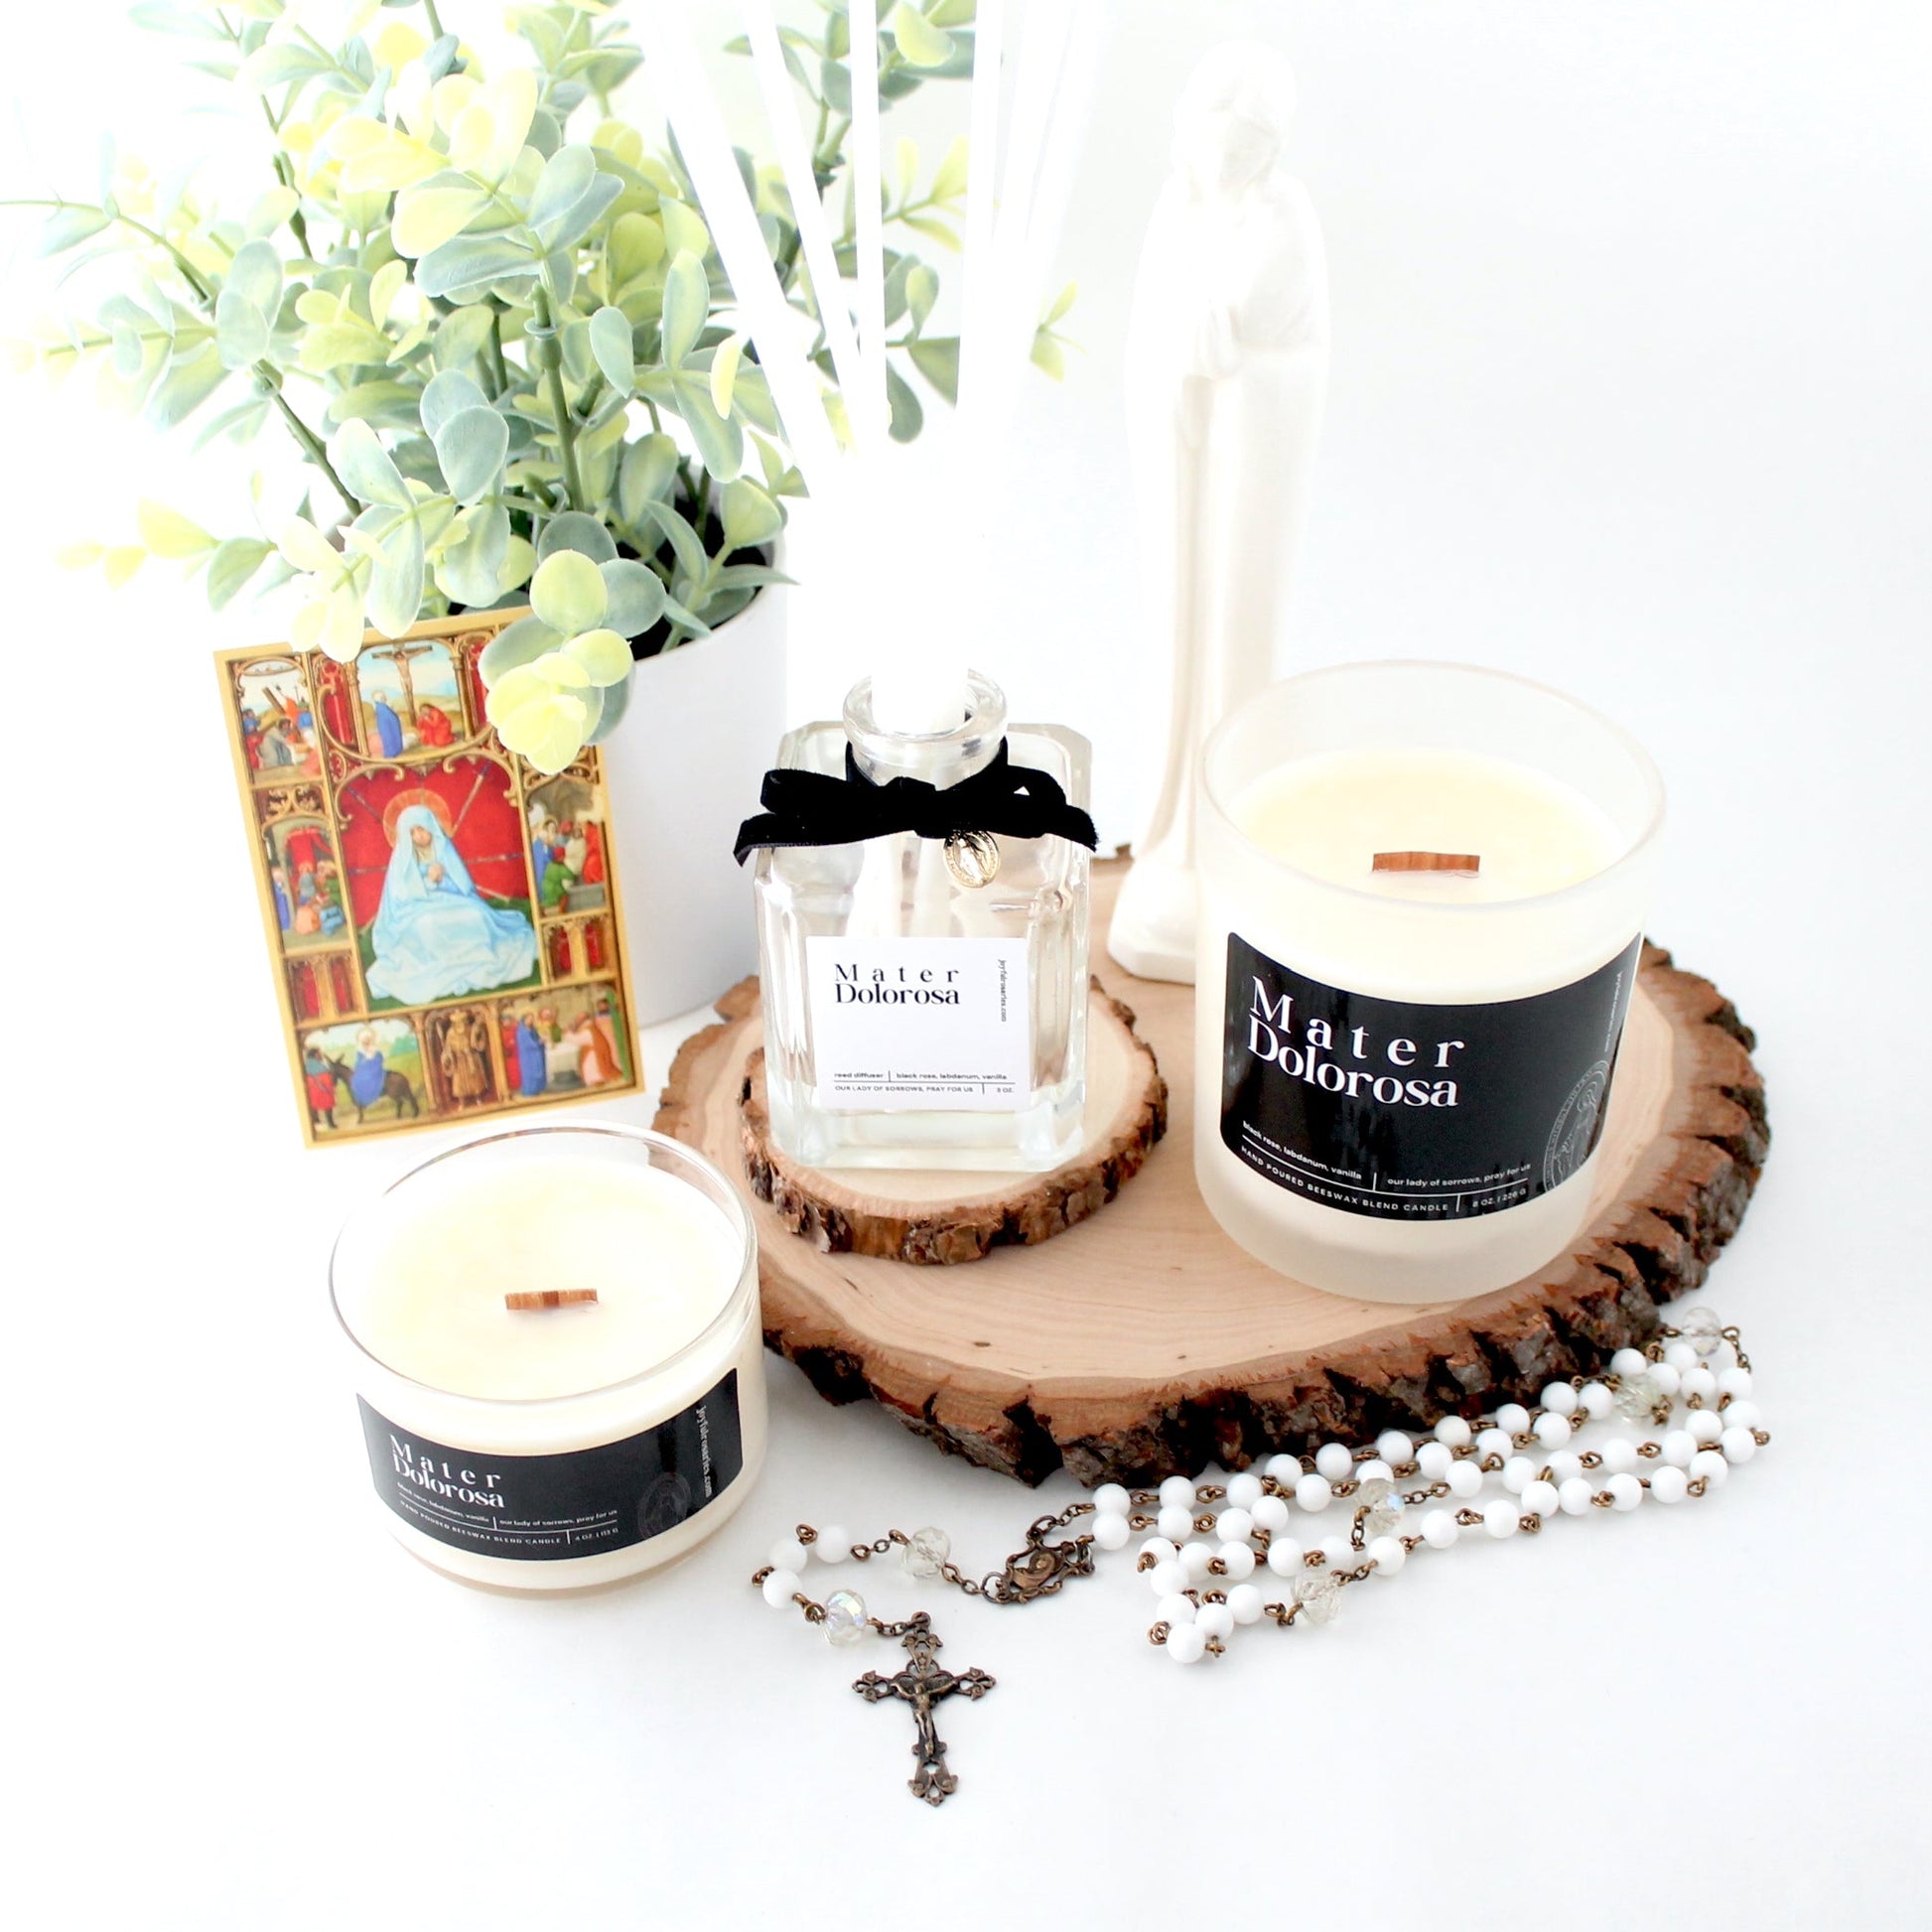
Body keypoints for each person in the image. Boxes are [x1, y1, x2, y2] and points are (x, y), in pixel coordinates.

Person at [365, 805, 536, 1005]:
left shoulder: (443, 848)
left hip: (451, 900)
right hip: (415, 910)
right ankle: (441, 964)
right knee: (427, 924)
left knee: (475, 914)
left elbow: (463, 886)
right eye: (412, 832)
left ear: (431, 826)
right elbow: (402, 896)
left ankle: (477, 958)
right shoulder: (402, 858)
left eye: (421, 829)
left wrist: (442, 880)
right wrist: (430, 881)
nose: (418, 836)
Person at [349, 1029, 387, 1112]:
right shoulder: (360, 1051)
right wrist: (357, 1066)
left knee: (369, 1077)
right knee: (356, 1080)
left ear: (370, 1040)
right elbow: (358, 1062)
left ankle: (371, 1098)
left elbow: (379, 1059)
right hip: (363, 1070)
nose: (365, 1043)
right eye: (364, 1041)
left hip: (374, 1069)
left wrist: (370, 1060)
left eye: (367, 1041)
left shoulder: (375, 1050)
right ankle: (362, 1102)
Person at [303, 1040, 338, 1129]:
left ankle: (317, 1121)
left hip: (315, 1090)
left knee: (316, 1106)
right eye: (319, 1054)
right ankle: (330, 1123)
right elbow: (325, 1078)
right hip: (322, 1089)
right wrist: (330, 1087)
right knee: (327, 1106)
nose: (321, 1055)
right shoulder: (319, 1066)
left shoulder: (308, 1065)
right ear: (315, 1055)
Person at [514, 1014, 548, 1098]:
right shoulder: (522, 1031)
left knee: (538, 1071)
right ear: (524, 1020)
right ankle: (530, 1091)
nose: (531, 1021)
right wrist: (539, 1042)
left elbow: (537, 1038)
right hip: (528, 1056)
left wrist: (541, 1041)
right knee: (530, 1073)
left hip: (536, 1054)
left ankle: (538, 1089)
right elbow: (527, 1043)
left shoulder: (532, 1029)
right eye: (529, 1019)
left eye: (532, 1019)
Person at [371, 693, 405, 759]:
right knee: (390, 740)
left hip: (389, 726)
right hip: (388, 727)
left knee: (391, 739)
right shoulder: (381, 707)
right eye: (384, 697)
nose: (385, 698)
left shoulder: (382, 706)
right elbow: (389, 717)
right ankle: (391, 753)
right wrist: (396, 718)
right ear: (381, 698)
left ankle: (394, 752)